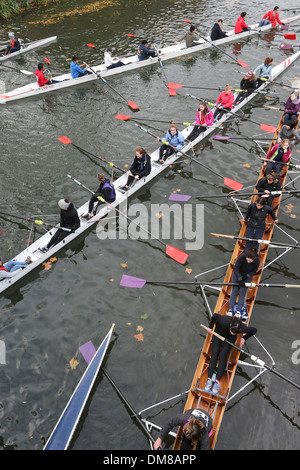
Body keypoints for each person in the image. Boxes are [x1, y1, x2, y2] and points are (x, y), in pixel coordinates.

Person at [205, 315, 257, 395]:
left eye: (235, 332)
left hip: (230, 338)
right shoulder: (223, 320)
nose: (233, 332)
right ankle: (209, 379)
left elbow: (254, 330)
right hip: (219, 332)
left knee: (222, 355)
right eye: (232, 330)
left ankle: (217, 382)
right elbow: (214, 316)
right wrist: (210, 327)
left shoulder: (241, 328)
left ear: (239, 330)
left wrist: (244, 338)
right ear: (230, 325)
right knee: (215, 353)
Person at [227, 248, 260, 319]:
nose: (248, 262)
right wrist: (239, 278)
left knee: (242, 291)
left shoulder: (257, 260)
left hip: (247, 276)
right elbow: (236, 268)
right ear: (246, 256)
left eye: (250, 261)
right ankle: (230, 310)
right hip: (237, 274)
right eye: (247, 260)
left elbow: (254, 271)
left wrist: (247, 276)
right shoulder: (242, 256)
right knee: (235, 289)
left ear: (254, 258)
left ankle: (238, 311)